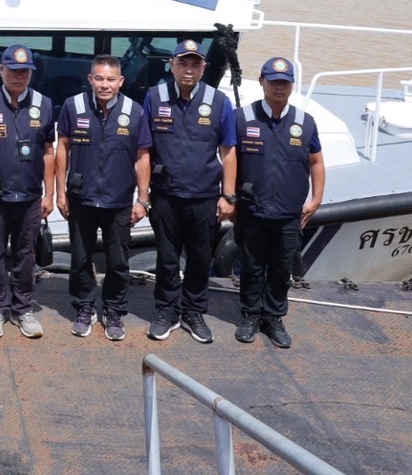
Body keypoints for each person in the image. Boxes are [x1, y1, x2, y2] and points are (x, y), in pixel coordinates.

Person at [143, 39, 237, 344]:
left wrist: (229, 196)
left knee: (199, 258)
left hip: (204, 196)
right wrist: (142, 195)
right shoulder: (154, 97)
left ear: (203, 68)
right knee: (167, 258)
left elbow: (229, 151)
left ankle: (193, 312)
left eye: (195, 64)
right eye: (182, 62)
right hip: (166, 195)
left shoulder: (219, 101)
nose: (188, 69)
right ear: (172, 65)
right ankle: (167, 312)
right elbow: (143, 150)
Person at [56, 54, 151, 341]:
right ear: (90, 79)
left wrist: (143, 199)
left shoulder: (135, 111)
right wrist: (60, 191)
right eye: (99, 78)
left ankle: (114, 310)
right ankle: (84, 307)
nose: (104, 85)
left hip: (118, 200)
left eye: (110, 79)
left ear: (121, 81)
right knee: (80, 259)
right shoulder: (73, 106)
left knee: (118, 261)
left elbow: (143, 156)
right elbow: (63, 147)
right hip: (81, 198)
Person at [233, 57, 325, 349]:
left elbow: (316, 161)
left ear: (292, 85)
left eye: (285, 83)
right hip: (253, 209)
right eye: (273, 82)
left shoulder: (304, 122)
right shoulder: (242, 117)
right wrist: (230, 198)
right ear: (262, 81)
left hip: (288, 213)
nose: (279, 88)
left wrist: (317, 199)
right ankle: (250, 315)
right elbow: (228, 159)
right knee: (251, 266)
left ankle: (273, 317)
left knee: (282, 268)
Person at [0, 44, 56, 340]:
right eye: (13, 70)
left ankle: (23, 309)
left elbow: (48, 151)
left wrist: (50, 194)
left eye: (25, 71)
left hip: (29, 197)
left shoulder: (44, 104)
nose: (19, 76)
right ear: (2, 70)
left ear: (31, 73)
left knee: (25, 254)